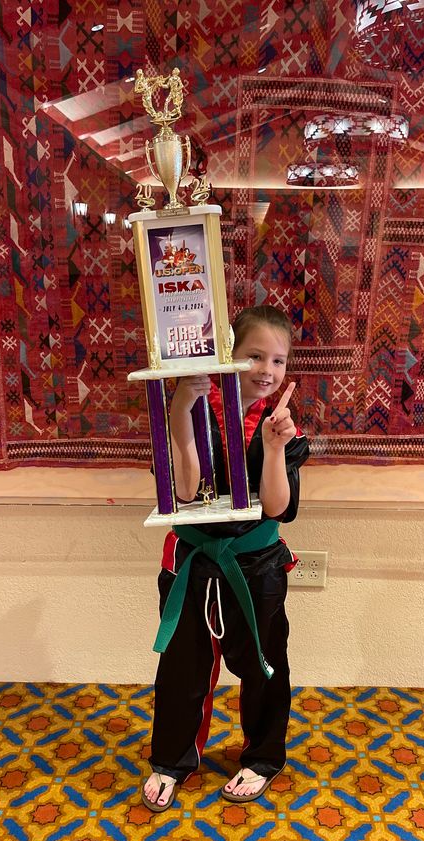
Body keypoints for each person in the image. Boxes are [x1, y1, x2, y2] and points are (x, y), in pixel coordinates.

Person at [141, 305, 310, 812]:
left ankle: (262, 757)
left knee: (263, 666)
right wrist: (179, 410)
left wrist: (275, 449)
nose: (266, 370)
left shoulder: (280, 423)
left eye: (278, 361)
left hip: (256, 566)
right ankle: (172, 760)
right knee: (182, 666)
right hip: (193, 560)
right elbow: (188, 490)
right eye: (254, 355)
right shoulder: (197, 405)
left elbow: (280, 509)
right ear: (226, 356)